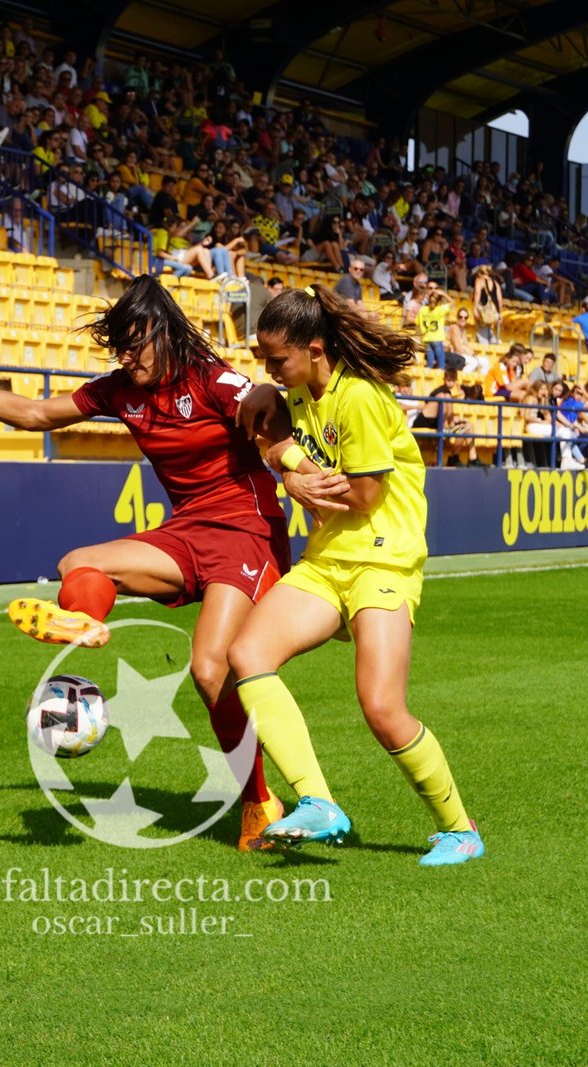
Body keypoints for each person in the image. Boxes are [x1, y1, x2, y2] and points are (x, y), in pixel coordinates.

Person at [0, 276, 291, 852]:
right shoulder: (120, 390)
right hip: (188, 530)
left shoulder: (210, 379)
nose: (127, 357)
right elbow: (35, 413)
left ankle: (259, 802)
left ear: (164, 333)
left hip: (246, 530)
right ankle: (86, 622)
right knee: (80, 563)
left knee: (211, 669)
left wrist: (267, 403)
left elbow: (259, 396)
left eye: (135, 344)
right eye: (120, 347)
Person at [228, 284, 484, 864]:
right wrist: (271, 407)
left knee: (382, 708)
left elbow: (365, 494)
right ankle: (317, 802)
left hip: (382, 560)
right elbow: (270, 432)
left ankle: (460, 830)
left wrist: (287, 461)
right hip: (324, 562)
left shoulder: (361, 398)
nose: (267, 371)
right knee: (246, 656)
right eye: (264, 361)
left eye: (277, 360)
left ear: (315, 348)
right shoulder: (291, 391)